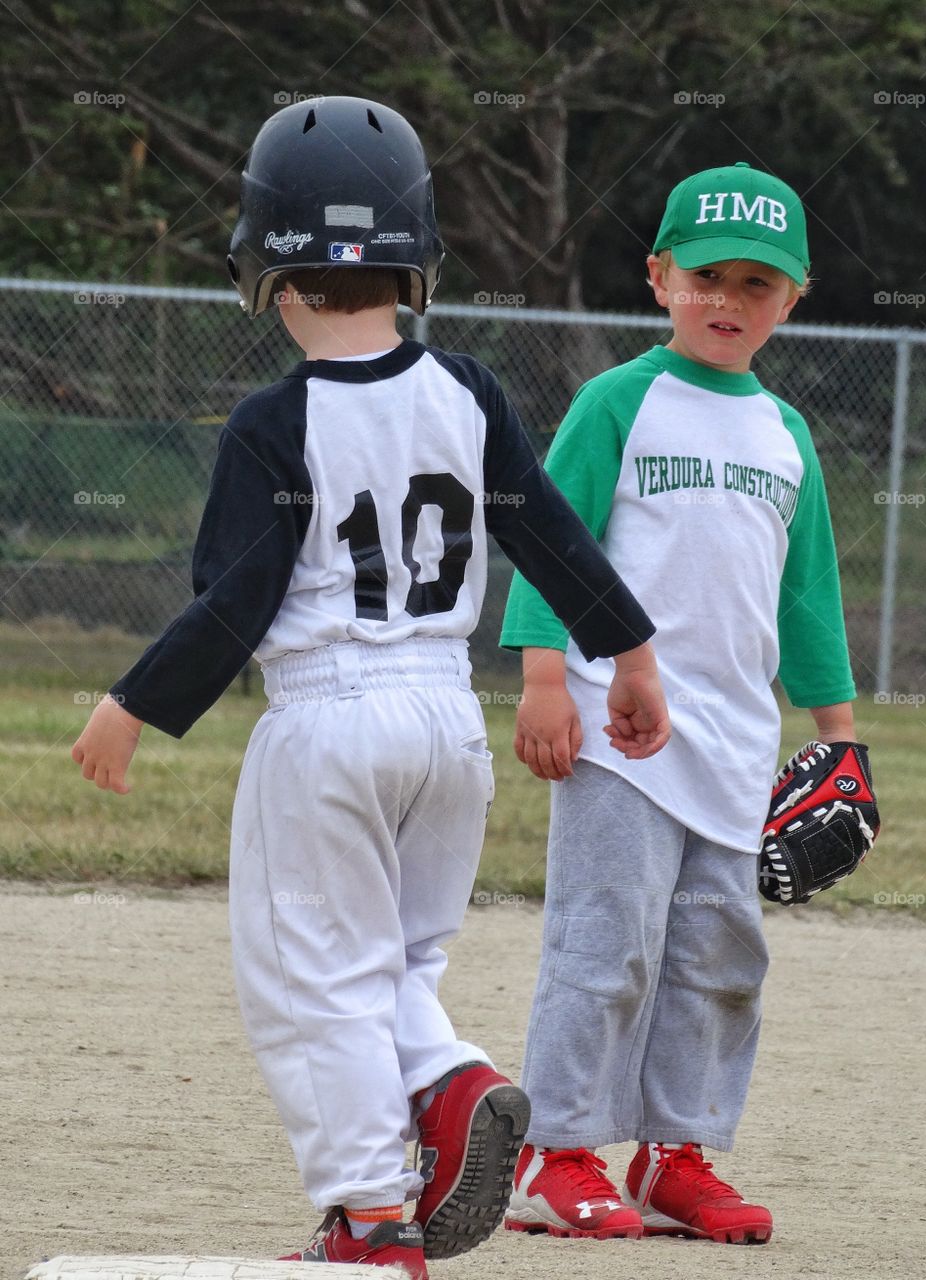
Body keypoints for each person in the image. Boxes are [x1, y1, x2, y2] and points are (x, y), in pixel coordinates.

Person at [70, 96, 669, 1278]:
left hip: (329, 717)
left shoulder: (269, 422)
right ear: (416, 263)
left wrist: (133, 701)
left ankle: (368, 1211)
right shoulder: (471, 393)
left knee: (311, 978)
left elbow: (236, 598)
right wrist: (631, 654)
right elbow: (550, 536)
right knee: (396, 965)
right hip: (448, 719)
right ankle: (451, 1080)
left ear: (270, 272)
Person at [499, 161, 857, 1246]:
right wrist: (544, 676)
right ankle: (553, 1151)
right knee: (606, 941)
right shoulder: (621, 400)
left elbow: (806, 598)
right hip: (618, 725)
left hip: (736, 745)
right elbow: (547, 540)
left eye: (757, 283)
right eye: (705, 274)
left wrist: (837, 737)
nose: (727, 300)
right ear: (657, 276)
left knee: (715, 952)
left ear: (790, 301)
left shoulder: (784, 435)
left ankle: (672, 1151)